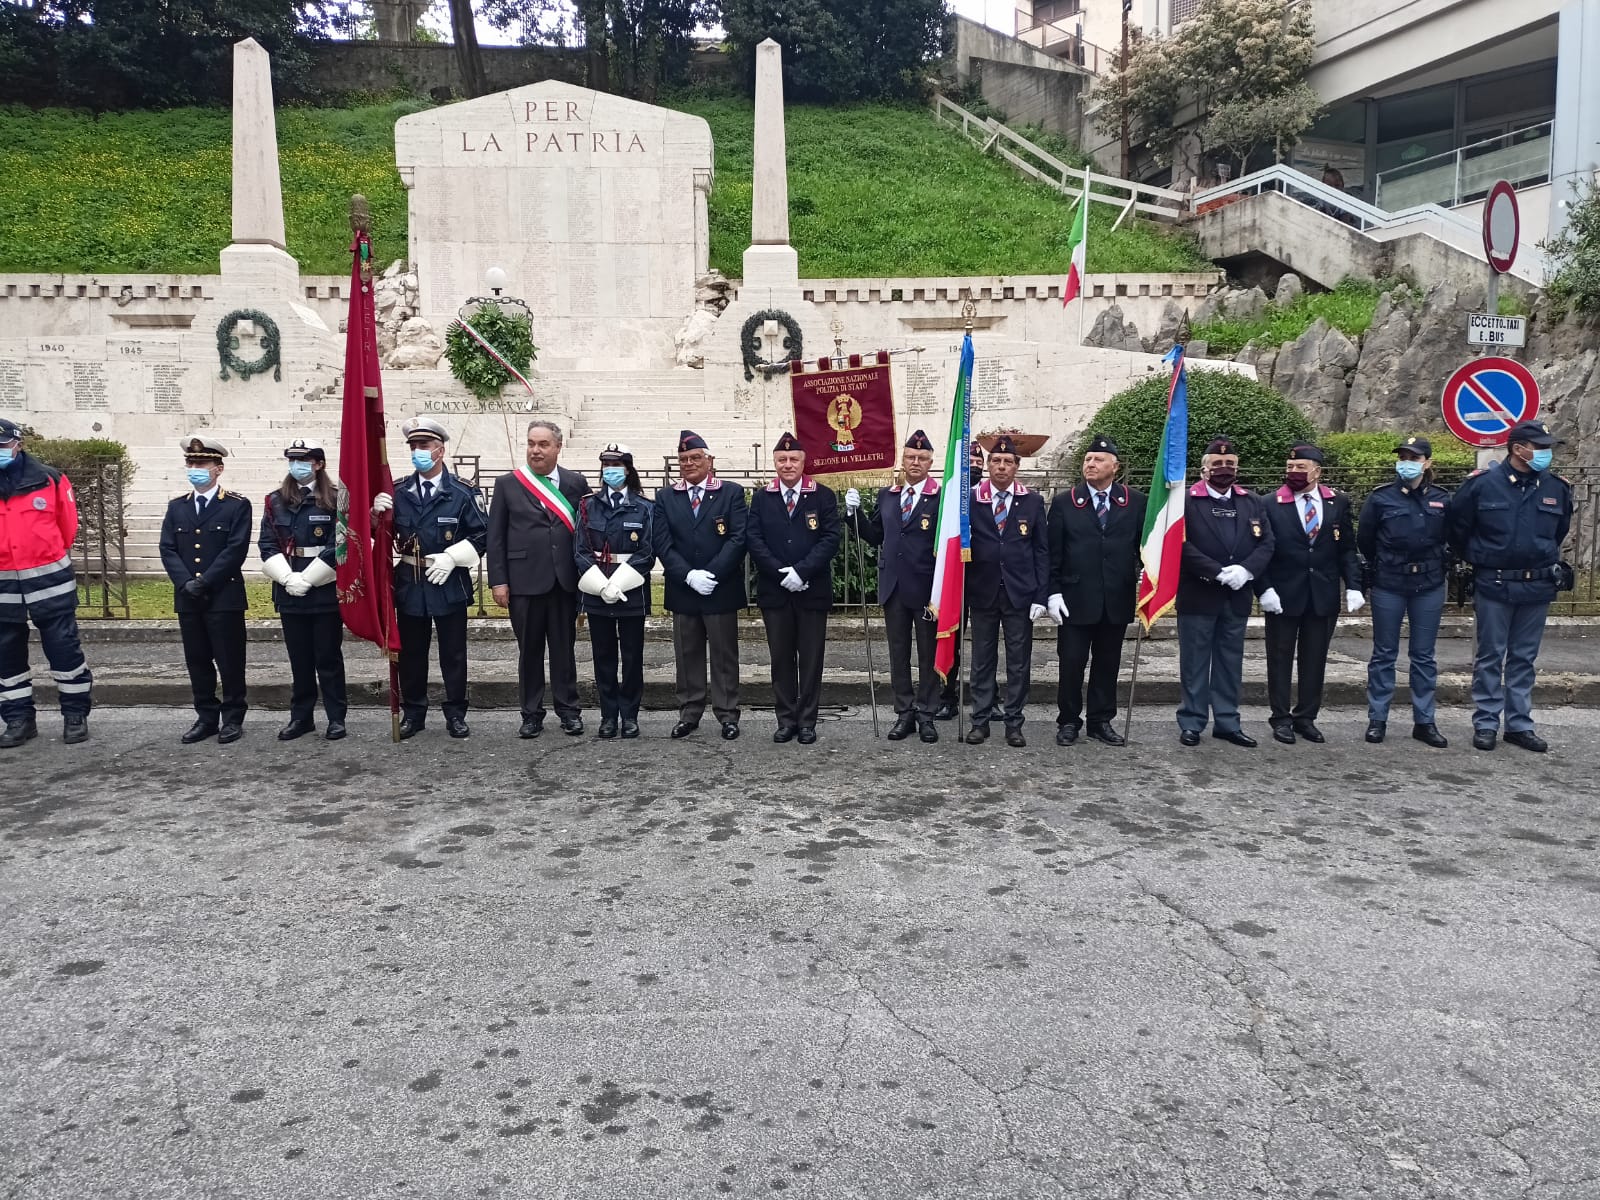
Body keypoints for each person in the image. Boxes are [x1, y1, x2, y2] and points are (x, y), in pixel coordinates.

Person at [1448, 420, 1573, 753]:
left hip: (1537, 586)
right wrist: (1482, 557)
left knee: (1523, 659)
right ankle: (1487, 722)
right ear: (1519, 449)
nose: (1546, 453)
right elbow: (1458, 528)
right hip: (1495, 583)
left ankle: (1519, 725)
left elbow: (1558, 532)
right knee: (1490, 656)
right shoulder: (1482, 485)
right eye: (1541, 447)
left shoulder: (1556, 488)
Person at [373, 417, 486, 740]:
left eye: (424, 446)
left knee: (453, 653)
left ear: (440, 450)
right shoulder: (397, 491)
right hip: (410, 580)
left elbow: (482, 535)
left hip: (448, 581)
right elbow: (376, 537)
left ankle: (455, 713)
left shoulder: (463, 492)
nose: (417, 452)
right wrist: (373, 515)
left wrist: (452, 557)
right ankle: (415, 713)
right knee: (410, 653)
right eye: (413, 446)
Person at [486, 418, 592, 738]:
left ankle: (569, 710)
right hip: (523, 582)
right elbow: (496, 537)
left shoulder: (575, 483)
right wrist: (498, 581)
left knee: (564, 650)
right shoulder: (508, 484)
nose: (536, 450)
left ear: (558, 447)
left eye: (543, 444)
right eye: (531, 443)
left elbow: (587, 529)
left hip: (564, 582)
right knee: (529, 651)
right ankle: (531, 713)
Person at [1254, 443, 1361, 744]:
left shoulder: (1337, 502)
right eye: (1290, 468)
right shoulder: (1270, 503)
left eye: (1301, 468)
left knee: (1315, 658)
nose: (1294, 473)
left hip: (1322, 593)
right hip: (1284, 593)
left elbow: (1347, 548)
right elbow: (1262, 550)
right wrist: (1264, 589)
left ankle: (1306, 717)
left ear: (1317, 471)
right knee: (1279, 657)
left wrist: (1353, 585)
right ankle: (1280, 718)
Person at [1045, 433, 1146, 747]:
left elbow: (1145, 548)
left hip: (1116, 598)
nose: (1091, 464)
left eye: (1098, 460)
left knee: (1108, 664)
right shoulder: (1065, 502)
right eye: (1088, 459)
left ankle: (1101, 721)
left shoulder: (1135, 502)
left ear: (1114, 467)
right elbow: (1052, 553)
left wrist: (1143, 575)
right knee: (1072, 663)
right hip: (1075, 599)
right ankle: (1069, 722)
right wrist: (1053, 592)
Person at [1176, 436, 1275, 748]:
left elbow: (1267, 542)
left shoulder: (1251, 501)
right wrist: (1215, 571)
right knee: (1195, 663)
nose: (1224, 468)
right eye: (1217, 464)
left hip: (1237, 594)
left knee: (1231, 662)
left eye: (1230, 464)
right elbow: (1179, 544)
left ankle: (1227, 721)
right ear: (1204, 469)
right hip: (1199, 592)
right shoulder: (1186, 501)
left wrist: (1246, 570)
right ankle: (1192, 721)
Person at [0, 416, 93, 748]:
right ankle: (18, 719)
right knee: (6, 658)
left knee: (64, 651)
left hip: (48, 581)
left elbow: (67, 529)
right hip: (3, 587)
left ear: (18, 444)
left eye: (2, 444)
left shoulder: (50, 480)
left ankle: (74, 715)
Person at [846, 429, 943, 744]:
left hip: (927, 588)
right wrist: (854, 514)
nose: (915, 462)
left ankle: (927, 714)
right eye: (910, 457)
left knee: (928, 655)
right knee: (898, 653)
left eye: (922, 458)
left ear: (930, 462)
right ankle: (905, 713)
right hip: (894, 586)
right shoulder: (888, 495)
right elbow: (876, 535)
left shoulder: (939, 497)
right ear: (902, 460)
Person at [746, 431, 840, 744]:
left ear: (803, 462)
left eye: (794, 459)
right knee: (781, 659)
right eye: (782, 460)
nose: (788, 464)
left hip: (811, 591)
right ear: (775, 462)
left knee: (811, 660)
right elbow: (754, 539)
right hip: (776, 593)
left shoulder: (822, 495)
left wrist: (801, 572)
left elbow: (830, 538)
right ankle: (786, 719)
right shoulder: (762, 497)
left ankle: (808, 721)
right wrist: (779, 573)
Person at [1357, 436, 1451, 748]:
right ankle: (1378, 719)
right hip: (1390, 583)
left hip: (1429, 584)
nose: (1407, 462)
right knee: (1384, 654)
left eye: (1414, 457)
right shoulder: (1381, 497)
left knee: (1423, 656)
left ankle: (1424, 721)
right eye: (1403, 456)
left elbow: (1453, 536)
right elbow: (1366, 539)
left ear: (1428, 462)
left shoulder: (1442, 498)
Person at [159, 433, 252, 745]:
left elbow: (235, 550)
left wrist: (204, 581)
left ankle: (233, 716)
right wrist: (186, 582)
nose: (196, 467)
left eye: (202, 462)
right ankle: (206, 717)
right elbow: (167, 548)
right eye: (191, 462)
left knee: (229, 660)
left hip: (223, 596)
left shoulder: (237, 506)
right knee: (197, 660)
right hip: (188, 597)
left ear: (218, 468)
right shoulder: (177, 507)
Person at [655, 430, 747, 741]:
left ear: (709, 460)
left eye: (696, 458)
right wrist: (689, 575)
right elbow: (662, 543)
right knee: (687, 654)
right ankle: (689, 714)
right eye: (683, 460)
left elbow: (738, 538)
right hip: (684, 589)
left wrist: (712, 573)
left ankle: (727, 714)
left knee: (724, 655)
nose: (689, 463)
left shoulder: (730, 493)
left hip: (720, 588)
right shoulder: (666, 496)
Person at [258, 439, 347, 741]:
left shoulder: (335, 499)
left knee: (328, 658)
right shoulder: (275, 501)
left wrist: (309, 578)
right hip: (289, 588)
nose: (297, 466)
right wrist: (287, 579)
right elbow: (267, 544)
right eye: (292, 461)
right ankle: (302, 717)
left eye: (304, 461)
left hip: (323, 589)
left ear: (319, 464)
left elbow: (341, 543)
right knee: (299, 659)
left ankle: (336, 717)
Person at [966, 434, 1049, 747]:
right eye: (996, 461)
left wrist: (1041, 595)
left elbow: (1042, 551)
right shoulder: (971, 499)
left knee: (1018, 662)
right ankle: (980, 721)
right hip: (983, 591)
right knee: (982, 661)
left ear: (1017, 466)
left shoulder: (1032, 501)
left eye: (1007, 462)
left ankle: (1014, 723)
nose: (1001, 466)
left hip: (1019, 594)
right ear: (988, 466)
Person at [575, 443, 655, 739]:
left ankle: (630, 715)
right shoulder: (587, 505)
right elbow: (581, 549)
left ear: (628, 470)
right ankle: (608, 715)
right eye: (606, 465)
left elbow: (647, 552)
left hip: (630, 590)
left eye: (617, 465)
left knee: (632, 656)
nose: (611, 470)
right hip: (597, 589)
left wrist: (619, 583)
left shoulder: (645, 507)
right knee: (603, 655)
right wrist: (602, 584)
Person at [935, 439, 987, 720]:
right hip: (954, 579)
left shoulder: (987, 496)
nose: (975, 468)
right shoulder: (950, 496)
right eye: (971, 464)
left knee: (984, 644)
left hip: (982, 579)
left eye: (979, 464)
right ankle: (947, 697)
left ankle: (989, 698)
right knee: (950, 639)